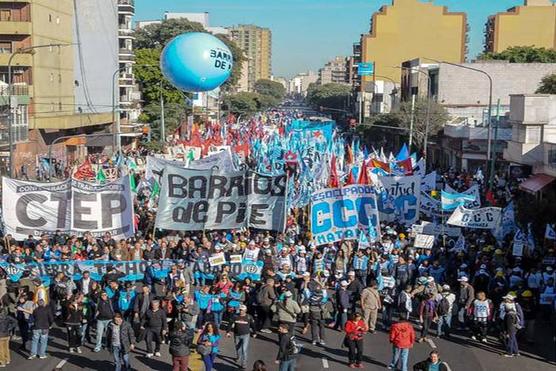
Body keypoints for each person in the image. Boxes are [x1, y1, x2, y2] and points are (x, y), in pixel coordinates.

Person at [226, 304, 257, 370]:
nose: (241, 311)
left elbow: (253, 325)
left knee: (244, 350)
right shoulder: (235, 316)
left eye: (242, 310)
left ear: (245, 310)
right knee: (238, 348)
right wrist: (228, 332)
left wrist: (254, 333)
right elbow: (230, 324)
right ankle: (238, 357)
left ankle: (244, 364)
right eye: (240, 310)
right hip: (237, 335)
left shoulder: (249, 317)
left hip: (246, 335)